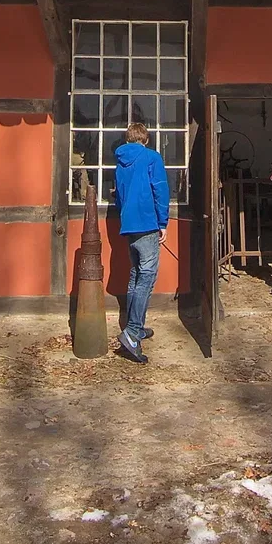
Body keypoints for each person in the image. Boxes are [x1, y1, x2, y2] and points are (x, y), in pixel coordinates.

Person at [112, 121, 170, 363]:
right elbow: (160, 189)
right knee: (146, 276)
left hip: (128, 224)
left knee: (136, 274)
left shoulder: (119, 164)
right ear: (145, 140)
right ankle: (133, 332)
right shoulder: (152, 158)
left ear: (127, 140)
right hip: (147, 223)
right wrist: (163, 222)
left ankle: (135, 325)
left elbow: (119, 196)